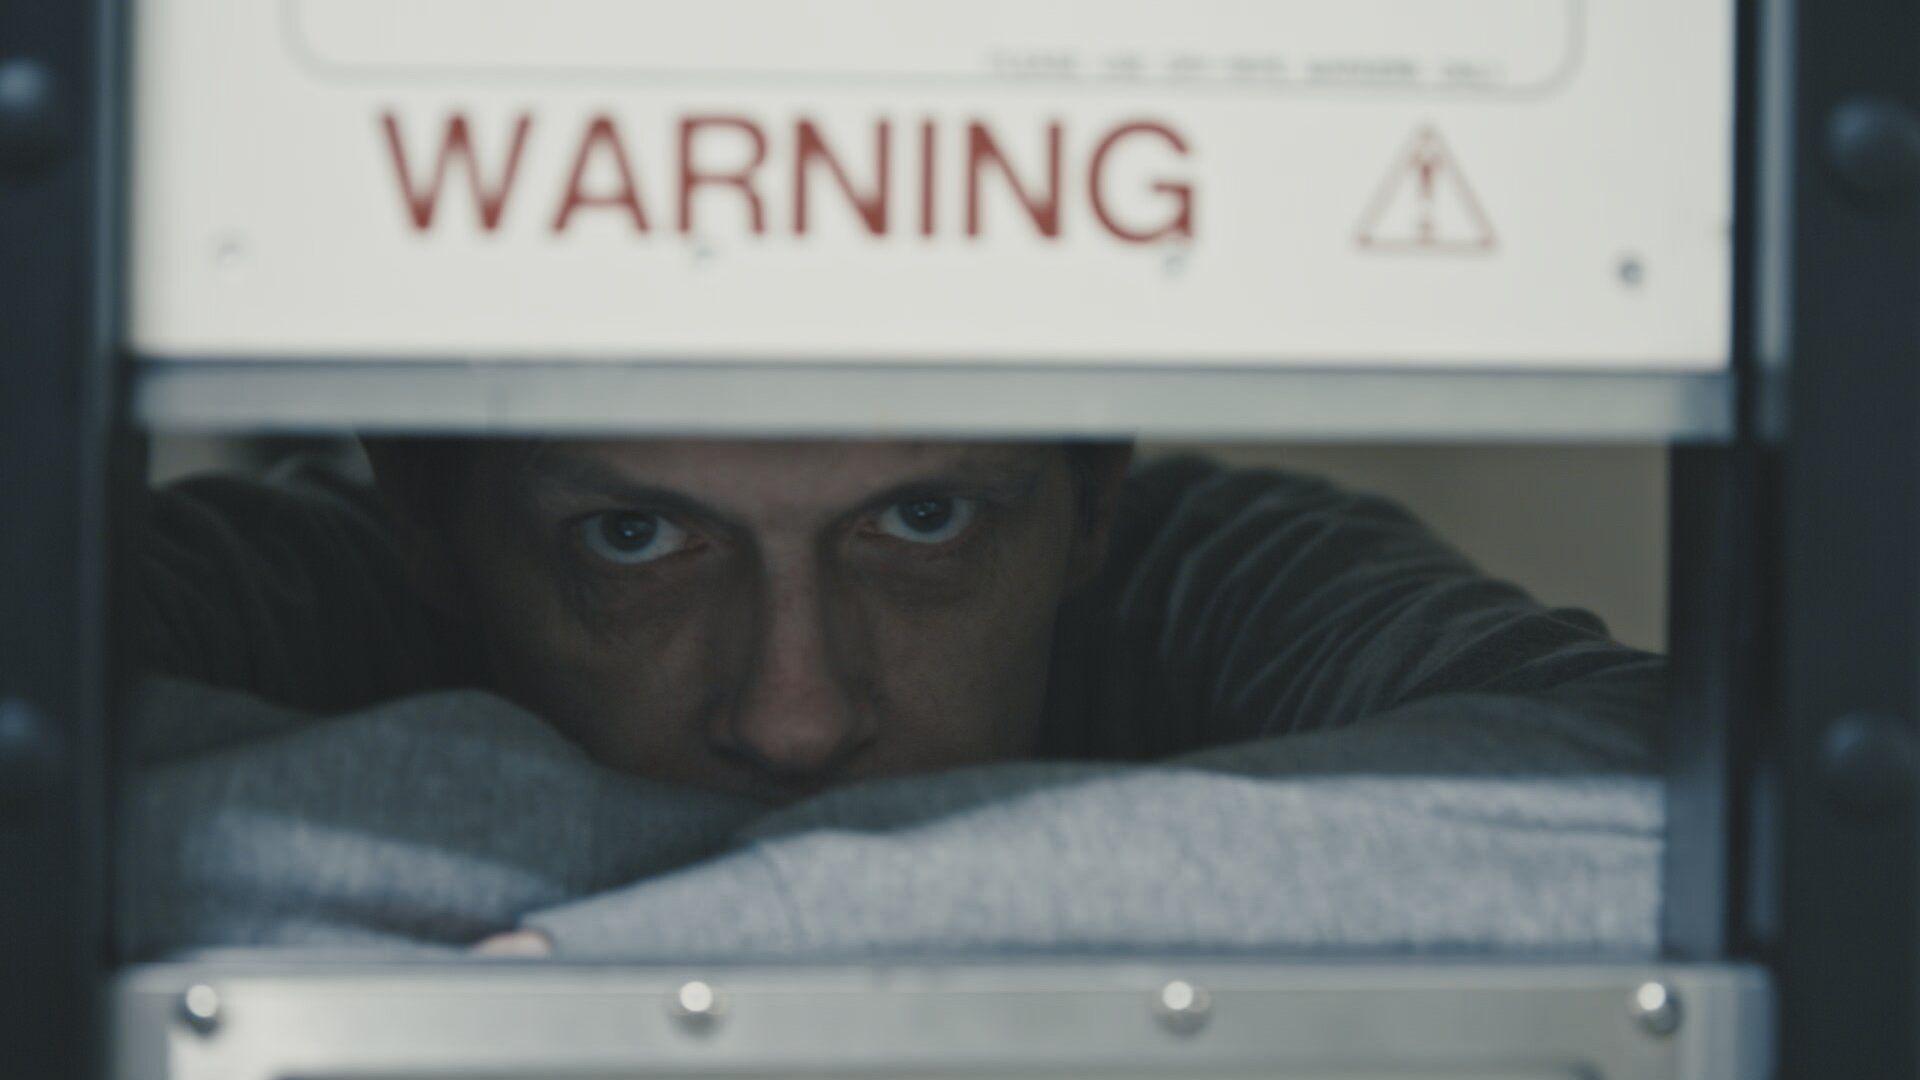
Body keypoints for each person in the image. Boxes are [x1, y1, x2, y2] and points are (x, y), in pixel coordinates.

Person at [124, 437, 1664, 958]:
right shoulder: (311, 567)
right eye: (638, 538)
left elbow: (1644, 805)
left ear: (1094, 490)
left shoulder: (1202, 563)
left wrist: (745, 919)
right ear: (428, 517)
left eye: (922, 524)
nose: (795, 716)